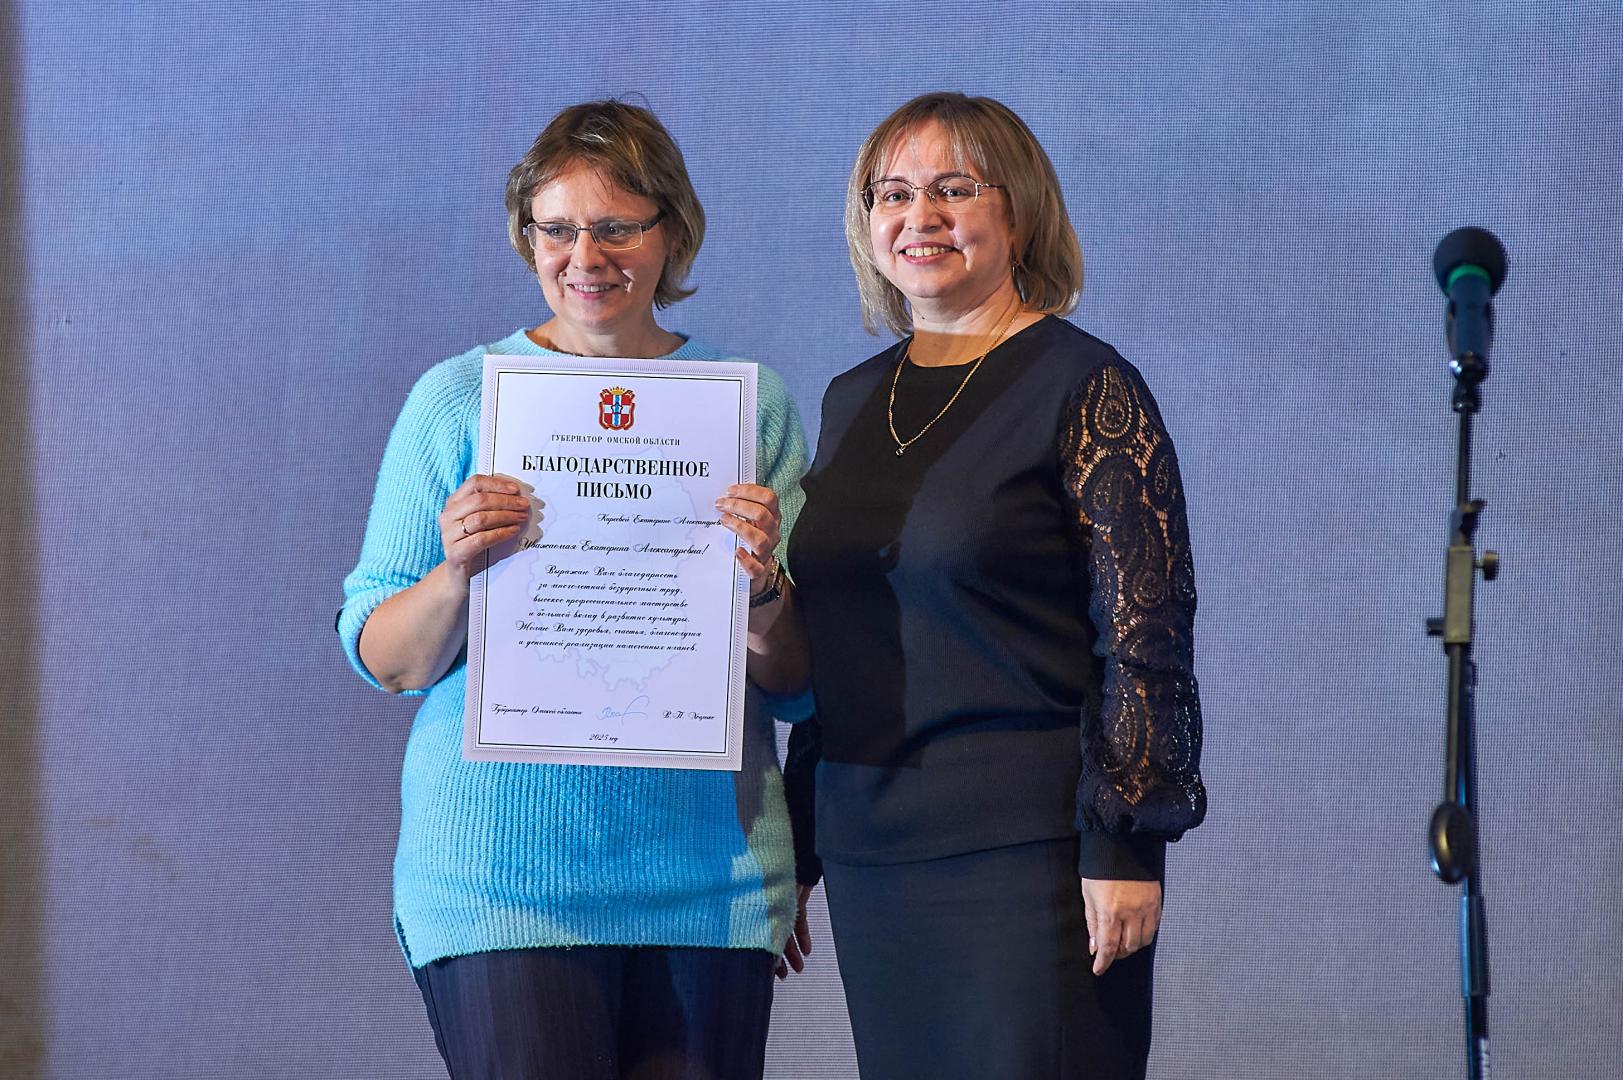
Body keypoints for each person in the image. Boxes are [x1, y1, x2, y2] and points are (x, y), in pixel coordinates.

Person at [338, 100, 813, 1080]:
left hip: (708, 880)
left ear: (671, 232)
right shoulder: (459, 400)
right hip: (500, 881)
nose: (584, 256)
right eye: (556, 229)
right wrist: (457, 571)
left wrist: (762, 588)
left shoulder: (747, 404)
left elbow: (800, 684)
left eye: (616, 227)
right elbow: (384, 657)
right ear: (527, 238)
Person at [787, 92, 1207, 1079]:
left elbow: (1144, 634)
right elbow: (839, 644)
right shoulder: (851, 400)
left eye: (954, 189)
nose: (919, 217)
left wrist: (1126, 845)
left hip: (1032, 858)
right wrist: (799, 843)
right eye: (893, 194)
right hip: (873, 856)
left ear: (1017, 213)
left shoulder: (1086, 386)